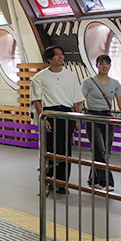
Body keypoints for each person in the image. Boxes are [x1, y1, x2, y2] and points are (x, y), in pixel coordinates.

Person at [29, 46, 84, 195]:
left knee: (65, 150)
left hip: (67, 114)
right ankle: (48, 180)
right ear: (49, 58)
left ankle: (62, 182)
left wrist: (77, 119)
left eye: (62, 54)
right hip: (50, 114)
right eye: (57, 55)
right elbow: (37, 100)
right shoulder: (39, 77)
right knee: (50, 150)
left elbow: (77, 100)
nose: (61, 57)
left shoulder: (71, 76)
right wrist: (43, 117)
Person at [80, 55, 121, 189]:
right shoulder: (88, 82)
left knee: (104, 151)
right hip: (92, 117)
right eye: (101, 63)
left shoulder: (115, 83)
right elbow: (80, 99)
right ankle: (106, 182)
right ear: (97, 66)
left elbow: (120, 102)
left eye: (107, 63)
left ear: (110, 66)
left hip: (107, 116)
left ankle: (93, 180)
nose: (104, 66)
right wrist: (77, 117)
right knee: (100, 150)